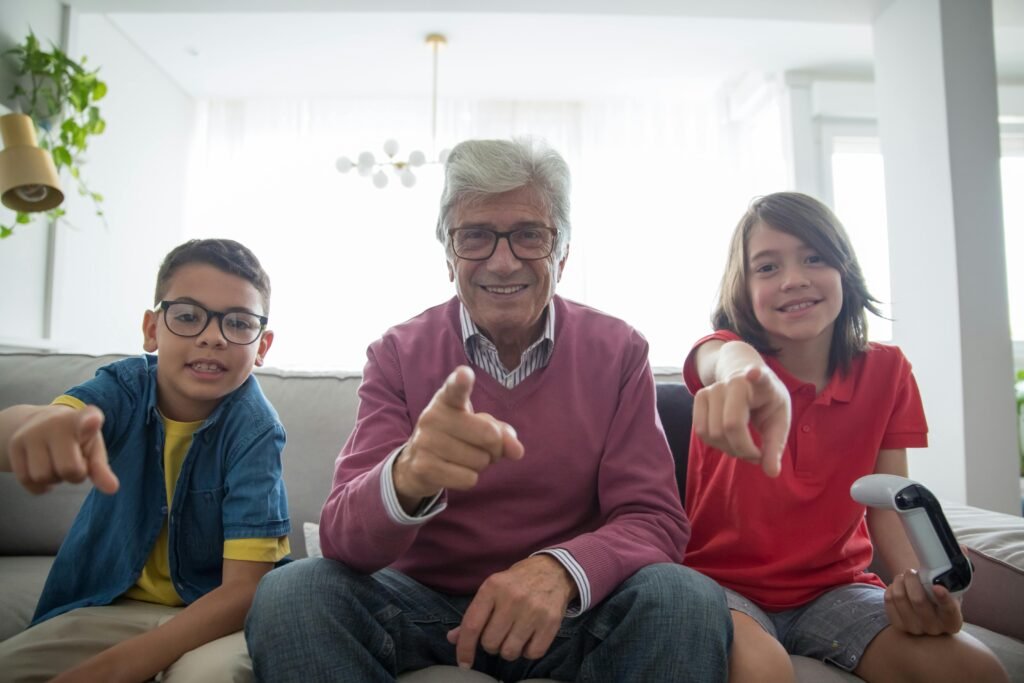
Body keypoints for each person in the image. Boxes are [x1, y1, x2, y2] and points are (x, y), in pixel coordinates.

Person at [245, 138, 732, 682]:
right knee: (293, 590)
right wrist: (408, 475)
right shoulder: (397, 354)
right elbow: (340, 538)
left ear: (562, 255)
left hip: (570, 611)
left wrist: (561, 569)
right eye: (475, 236)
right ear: (449, 258)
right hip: (421, 608)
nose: (503, 262)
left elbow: (655, 520)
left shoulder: (619, 350)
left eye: (529, 235)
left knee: (684, 595)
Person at [683, 191, 1009, 683]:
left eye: (814, 257)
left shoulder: (889, 371)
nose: (793, 279)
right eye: (767, 268)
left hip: (836, 589)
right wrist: (742, 372)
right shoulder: (726, 354)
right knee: (763, 671)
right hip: (721, 587)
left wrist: (920, 592)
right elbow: (716, 356)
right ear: (743, 289)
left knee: (975, 668)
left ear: (845, 269)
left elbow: (887, 505)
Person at [0, 238, 290, 683]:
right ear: (152, 329)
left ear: (262, 345)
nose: (213, 336)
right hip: (107, 603)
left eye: (238, 323)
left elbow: (244, 589)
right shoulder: (124, 388)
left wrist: (117, 666)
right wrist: (34, 425)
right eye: (189, 316)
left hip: (209, 618)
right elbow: (45, 423)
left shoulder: (257, 430)